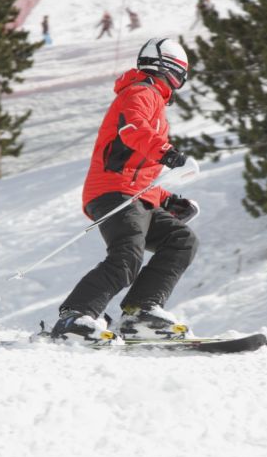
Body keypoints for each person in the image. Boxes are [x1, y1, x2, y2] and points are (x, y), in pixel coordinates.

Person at [51, 37, 200, 342]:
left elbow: (138, 171)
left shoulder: (151, 100)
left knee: (181, 240)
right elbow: (133, 130)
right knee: (127, 257)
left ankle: (141, 313)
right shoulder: (140, 92)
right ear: (172, 70)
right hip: (112, 192)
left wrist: (167, 200)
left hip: (135, 195)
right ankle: (75, 317)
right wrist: (170, 154)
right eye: (180, 75)